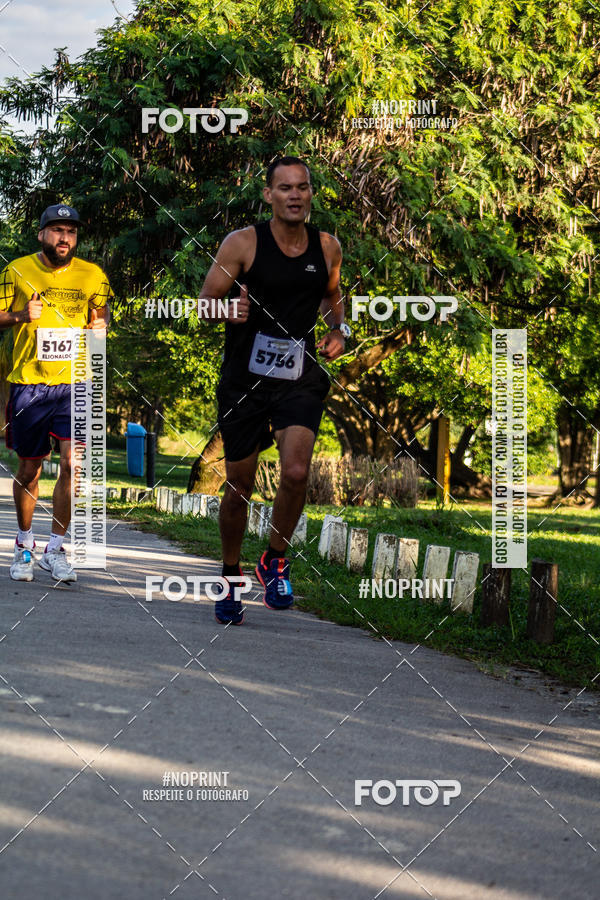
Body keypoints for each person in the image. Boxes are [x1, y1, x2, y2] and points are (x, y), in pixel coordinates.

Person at [198, 156, 350, 624]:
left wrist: (339, 331)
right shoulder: (242, 243)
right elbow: (205, 305)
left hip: (298, 375)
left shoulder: (327, 247)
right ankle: (229, 576)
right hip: (244, 379)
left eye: (302, 187)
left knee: (297, 471)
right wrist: (228, 313)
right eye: (284, 188)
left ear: (310, 193)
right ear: (268, 195)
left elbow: (332, 295)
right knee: (240, 485)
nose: (295, 195)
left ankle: (275, 558)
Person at [0, 204, 112, 583]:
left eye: (71, 232)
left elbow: (102, 313)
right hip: (30, 383)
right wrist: (19, 316)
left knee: (72, 466)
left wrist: (100, 326)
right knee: (30, 468)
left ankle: (55, 549)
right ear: (41, 234)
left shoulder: (93, 275)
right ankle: (24, 544)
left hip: (74, 384)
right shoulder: (16, 269)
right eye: (57, 230)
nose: (65, 238)